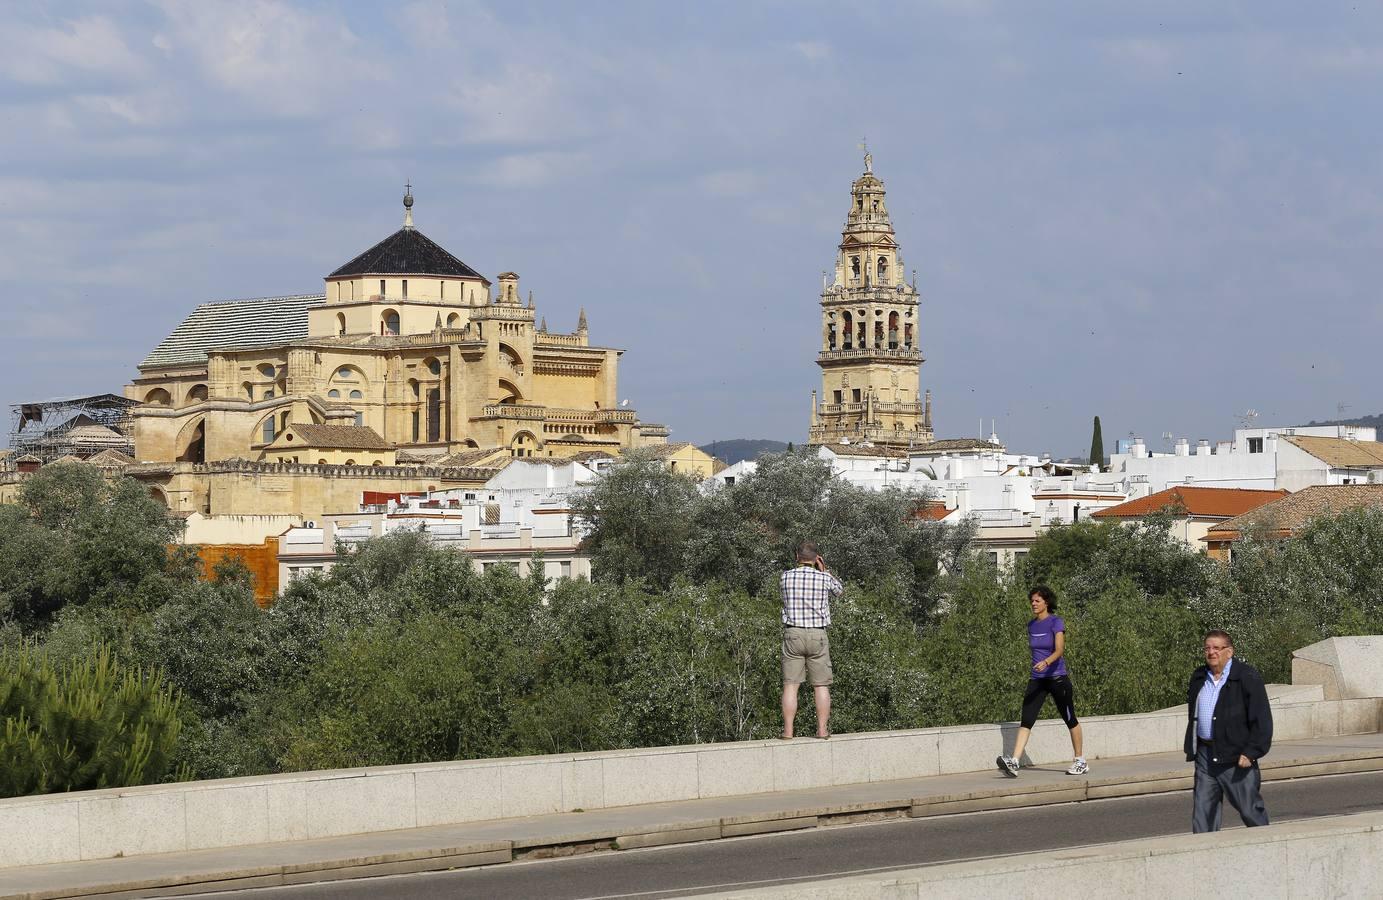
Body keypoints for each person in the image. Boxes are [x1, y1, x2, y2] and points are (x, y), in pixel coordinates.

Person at [1185, 629, 1272, 833]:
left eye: (1217, 648)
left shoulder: (1246, 677)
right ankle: (1204, 856)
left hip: (1236, 756)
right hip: (1205, 756)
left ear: (1229, 652)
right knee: (1202, 815)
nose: (1211, 652)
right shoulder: (1199, 677)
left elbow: (1262, 719)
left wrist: (1251, 752)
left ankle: (1267, 848)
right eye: (1207, 648)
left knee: (1250, 810)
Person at [996, 585, 1086, 776]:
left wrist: (1046, 662)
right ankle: (1014, 762)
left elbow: (1059, 650)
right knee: (1026, 719)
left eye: (1037, 601)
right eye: (1032, 601)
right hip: (1037, 679)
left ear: (1047, 602)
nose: (1033, 604)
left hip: (1057, 677)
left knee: (1069, 718)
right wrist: (1039, 666)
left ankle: (1080, 760)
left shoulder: (1056, 622)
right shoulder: (1031, 625)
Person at [779, 541, 842, 740]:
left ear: (797, 556)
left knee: (791, 685)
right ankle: (822, 730)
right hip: (817, 634)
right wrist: (825, 570)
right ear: (816, 558)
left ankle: (788, 731)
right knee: (821, 685)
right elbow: (839, 591)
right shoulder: (823, 578)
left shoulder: (786, 577)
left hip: (793, 633)